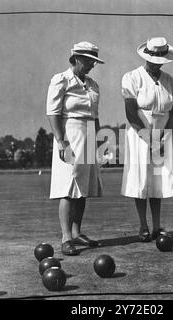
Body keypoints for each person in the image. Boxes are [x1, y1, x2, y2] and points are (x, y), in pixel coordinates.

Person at [121, 37, 173, 242]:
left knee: (157, 180)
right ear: (147, 57)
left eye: (162, 60)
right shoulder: (131, 77)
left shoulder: (170, 81)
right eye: (155, 59)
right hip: (140, 133)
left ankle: (157, 226)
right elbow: (131, 114)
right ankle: (143, 225)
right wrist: (149, 139)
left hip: (163, 133)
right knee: (141, 180)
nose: (158, 63)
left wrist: (164, 138)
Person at [46, 41, 104, 255]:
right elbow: (52, 113)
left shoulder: (93, 85)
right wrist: (61, 141)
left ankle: (77, 233)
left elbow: (95, 117)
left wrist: (97, 140)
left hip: (88, 133)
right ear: (77, 59)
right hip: (69, 133)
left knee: (82, 189)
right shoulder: (60, 80)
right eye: (89, 61)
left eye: (94, 62)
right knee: (68, 188)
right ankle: (66, 237)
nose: (92, 65)